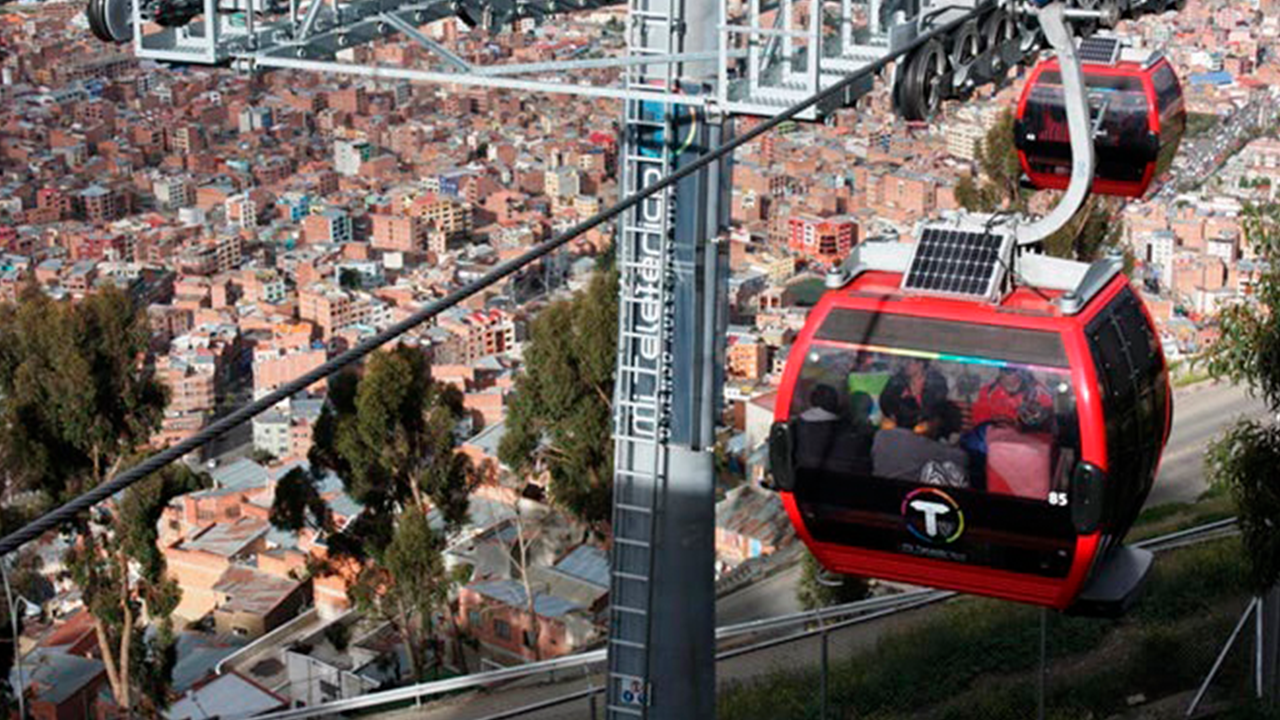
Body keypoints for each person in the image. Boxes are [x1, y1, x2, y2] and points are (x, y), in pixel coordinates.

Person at [878, 358, 959, 438]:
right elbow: (885, 401)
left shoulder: (936, 382)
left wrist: (924, 421)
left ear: (920, 364)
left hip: (924, 427)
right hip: (899, 424)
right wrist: (891, 416)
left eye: (910, 362)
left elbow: (937, 407)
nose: (906, 365)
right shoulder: (897, 380)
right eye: (906, 361)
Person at [970, 367, 1054, 431]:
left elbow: (1047, 426)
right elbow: (980, 423)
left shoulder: (1038, 392)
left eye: (1012, 371)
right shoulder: (988, 392)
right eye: (1003, 370)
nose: (1004, 374)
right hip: (996, 440)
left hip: (1028, 441)